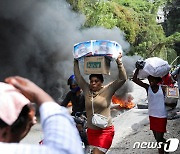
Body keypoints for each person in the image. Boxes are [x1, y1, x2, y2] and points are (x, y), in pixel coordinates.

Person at [0, 76, 83, 154]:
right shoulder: (70, 94)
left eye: (74, 85)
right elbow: (64, 151)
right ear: (4, 133)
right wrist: (45, 100)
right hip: (74, 115)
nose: (73, 87)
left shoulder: (85, 95)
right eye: (72, 85)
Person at [74, 53, 127, 154]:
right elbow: (78, 77)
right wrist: (75, 61)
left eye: (96, 81)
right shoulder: (86, 90)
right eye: (91, 81)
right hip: (91, 132)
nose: (93, 83)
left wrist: (119, 61)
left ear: (101, 82)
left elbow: (122, 79)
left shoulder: (108, 89)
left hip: (105, 132)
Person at [133, 68, 167, 154]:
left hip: (161, 116)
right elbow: (134, 80)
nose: (151, 81)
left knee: (159, 139)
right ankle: (167, 144)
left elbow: (172, 100)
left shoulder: (163, 88)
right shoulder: (147, 87)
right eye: (149, 79)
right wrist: (137, 69)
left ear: (157, 79)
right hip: (152, 116)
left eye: (152, 79)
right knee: (157, 139)